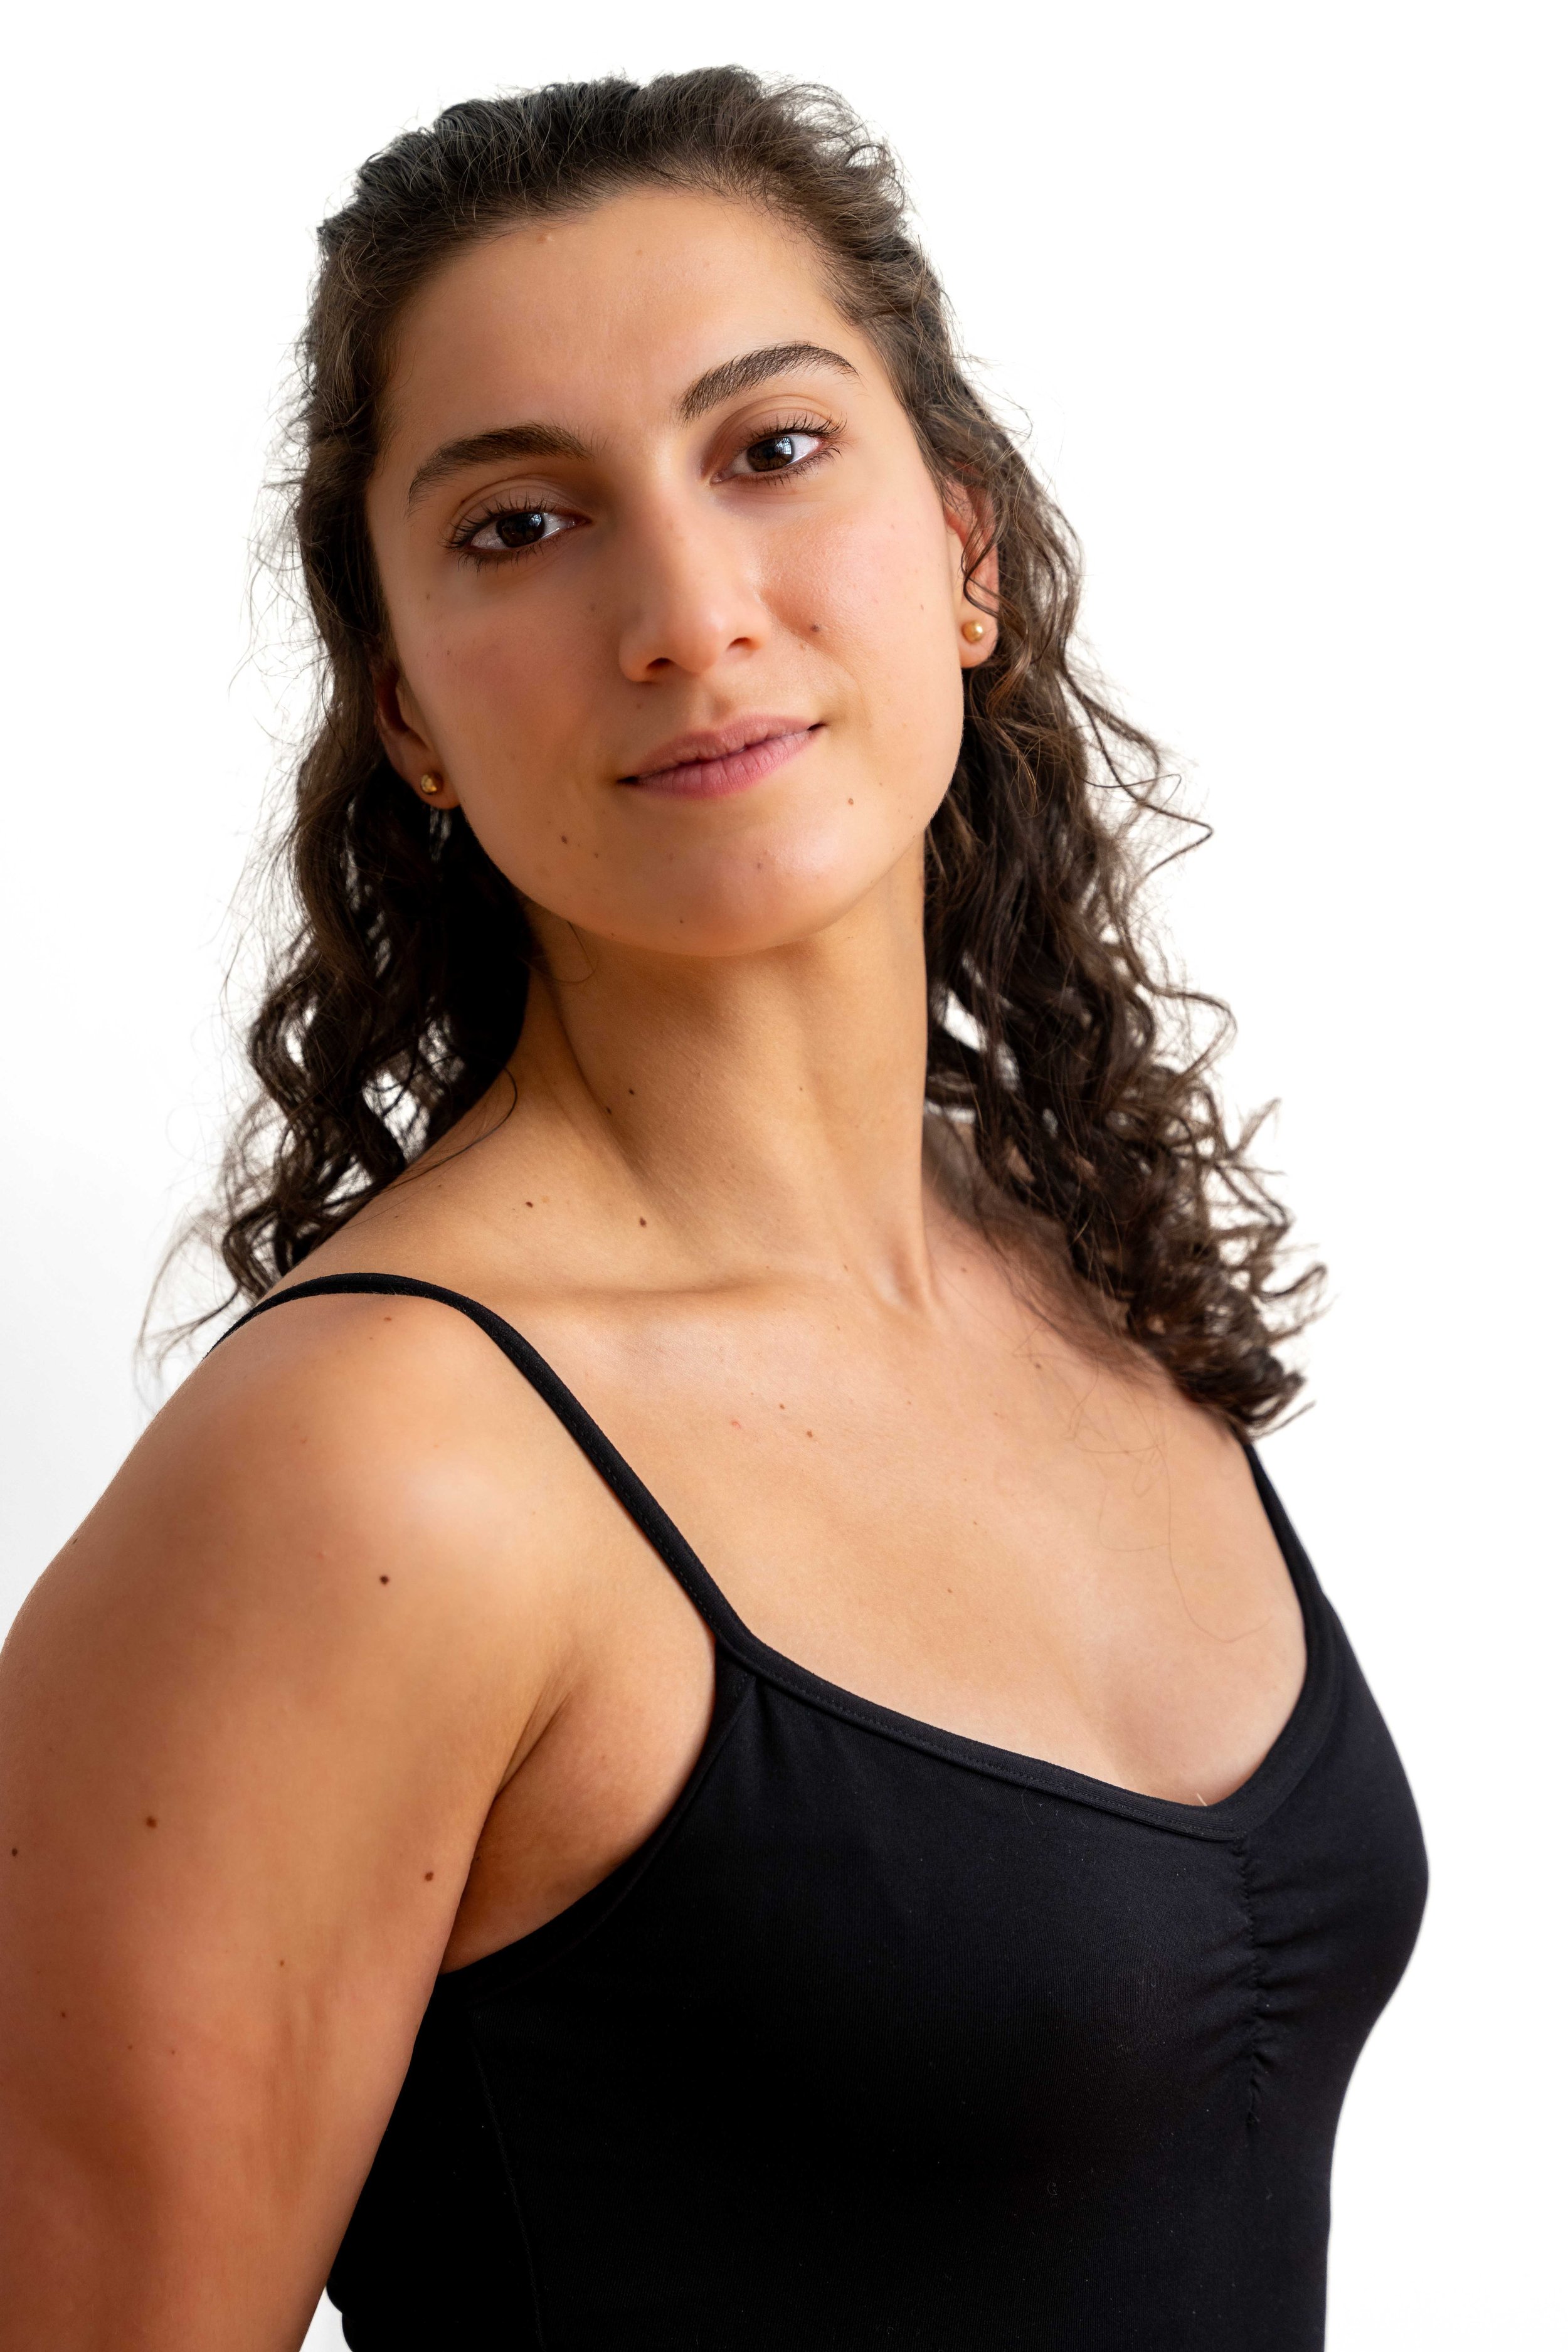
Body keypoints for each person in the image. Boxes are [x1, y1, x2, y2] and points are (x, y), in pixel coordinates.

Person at [0, 69, 1426, 2352]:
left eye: (768, 450)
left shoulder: (1072, 1270)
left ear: (963, 552)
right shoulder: (372, 1469)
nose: (683, 613)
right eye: (519, 526)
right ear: (407, 712)